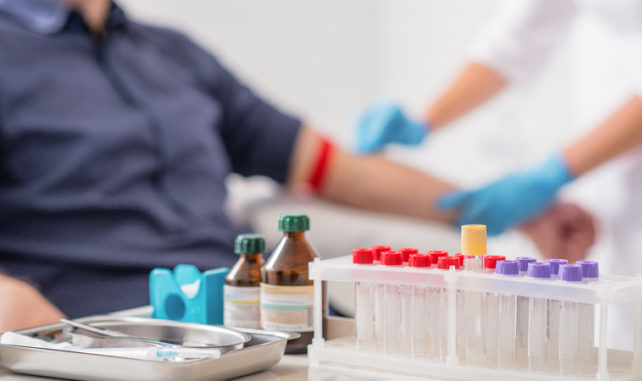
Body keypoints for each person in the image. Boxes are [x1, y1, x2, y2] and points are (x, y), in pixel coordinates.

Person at [0, 0, 593, 332]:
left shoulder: (173, 53)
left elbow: (337, 170)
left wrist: (518, 209)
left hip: (250, 324)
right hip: (101, 331)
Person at [356, 0, 642, 348]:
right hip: (611, 152)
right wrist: (425, 120)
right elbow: (517, 36)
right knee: (622, 328)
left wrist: (551, 173)